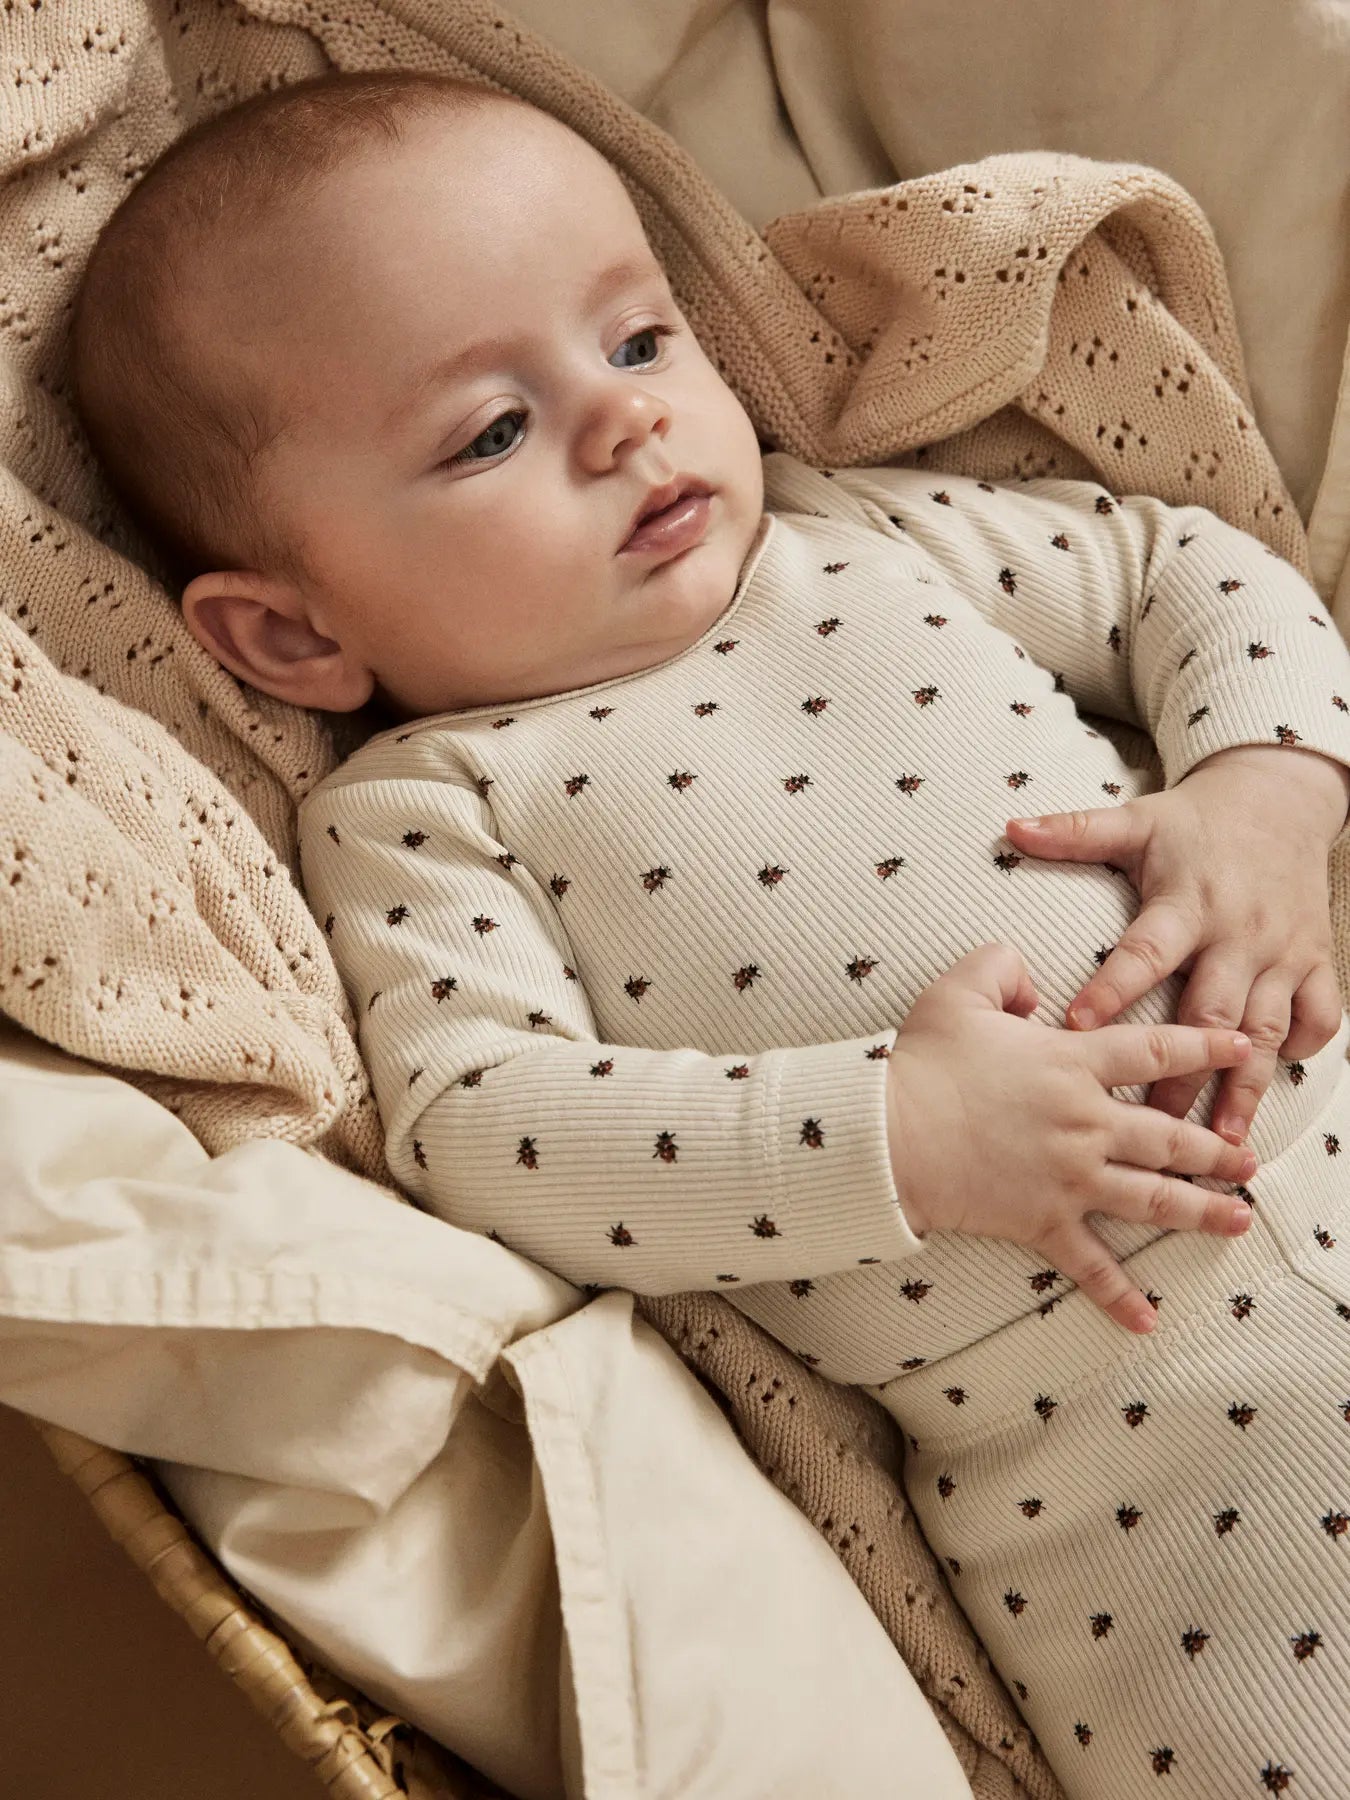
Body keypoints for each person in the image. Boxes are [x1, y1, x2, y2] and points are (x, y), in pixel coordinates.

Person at [69, 68, 1350, 1800]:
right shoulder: (428, 808)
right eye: (491, 432)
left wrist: (1261, 796)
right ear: (296, 638)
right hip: (1120, 1459)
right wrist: (888, 1134)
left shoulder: (861, 537)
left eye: (638, 340)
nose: (626, 424)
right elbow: (481, 1124)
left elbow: (1179, 569)